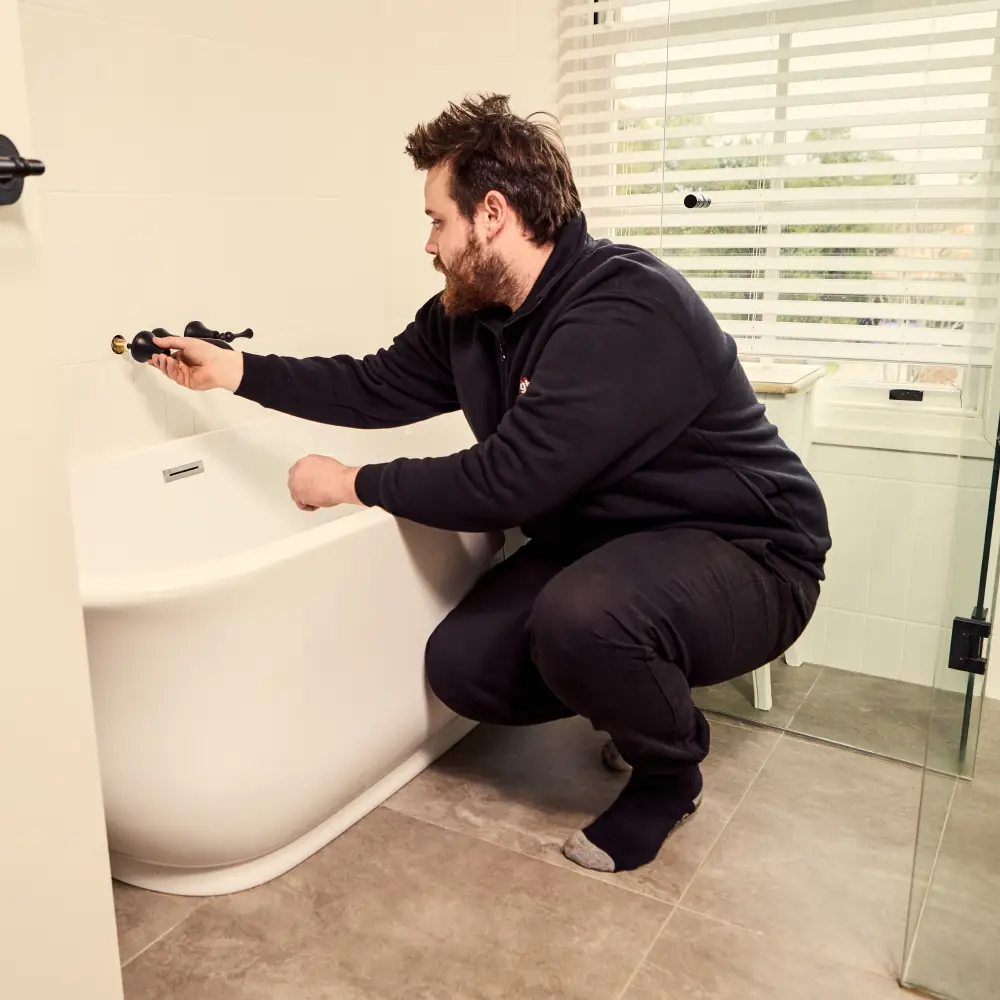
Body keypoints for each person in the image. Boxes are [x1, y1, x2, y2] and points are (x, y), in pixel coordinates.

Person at [149, 93, 831, 874]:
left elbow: (508, 482)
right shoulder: (471, 316)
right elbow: (372, 386)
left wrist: (351, 482)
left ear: (493, 214)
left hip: (749, 552)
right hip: (607, 547)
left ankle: (669, 771)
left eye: (438, 220)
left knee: (585, 618)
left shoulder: (627, 306)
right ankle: (645, 697)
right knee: (464, 668)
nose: (429, 243)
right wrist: (234, 370)